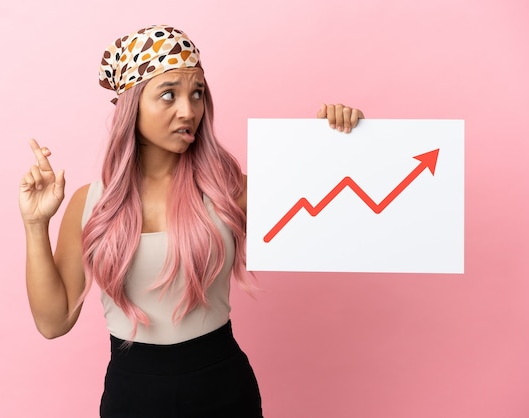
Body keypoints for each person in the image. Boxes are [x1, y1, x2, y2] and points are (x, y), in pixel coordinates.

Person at [19, 24, 364, 418]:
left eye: (197, 93)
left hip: (223, 390)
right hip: (131, 396)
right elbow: (53, 322)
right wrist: (35, 224)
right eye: (169, 94)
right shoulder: (91, 203)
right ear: (132, 104)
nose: (189, 110)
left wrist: (341, 143)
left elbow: (339, 214)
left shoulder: (229, 191)